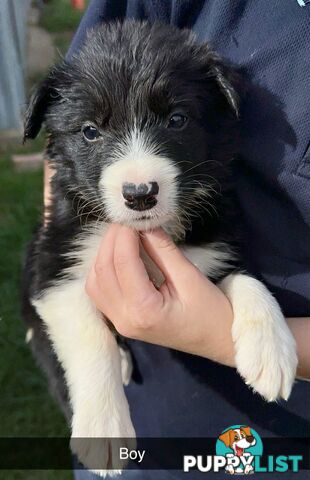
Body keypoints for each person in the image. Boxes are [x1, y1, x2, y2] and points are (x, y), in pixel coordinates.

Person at [46, 1, 309, 478]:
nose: (138, 173)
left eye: (175, 120)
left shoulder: (206, 213)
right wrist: (97, 380)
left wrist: (233, 326)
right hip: (151, 417)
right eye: (93, 130)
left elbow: (225, 272)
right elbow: (59, 289)